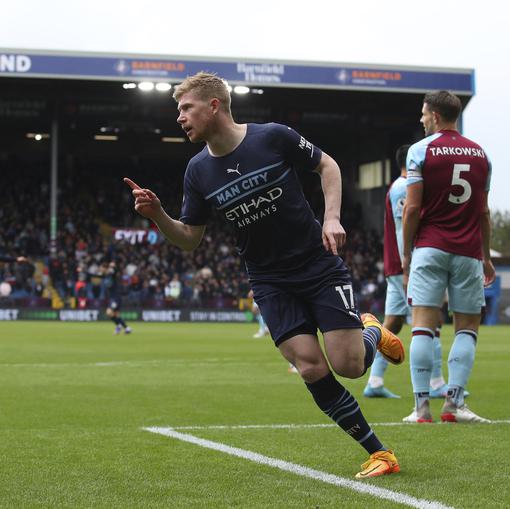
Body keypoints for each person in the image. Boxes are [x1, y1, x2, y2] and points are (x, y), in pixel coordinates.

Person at [124, 72, 404, 479]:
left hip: (317, 265)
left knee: (349, 365)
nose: (180, 118)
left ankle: (372, 330)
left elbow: (328, 165)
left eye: (186, 108)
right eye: (178, 110)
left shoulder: (271, 136)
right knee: (309, 367)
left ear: (214, 105)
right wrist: (158, 216)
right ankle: (380, 452)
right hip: (269, 281)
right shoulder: (197, 171)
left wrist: (331, 218)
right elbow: (188, 239)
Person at [402, 90, 494, 424]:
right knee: (467, 328)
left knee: (423, 326)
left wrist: (406, 254)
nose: (421, 119)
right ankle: (454, 403)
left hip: (429, 247)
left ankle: (422, 407)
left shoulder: (420, 151)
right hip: (468, 251)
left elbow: (412, 208)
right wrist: (485, 256)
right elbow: (484, 212)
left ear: (436, 116)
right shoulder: (481, 155)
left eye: (424, 114)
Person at [363, 145, 449, 402]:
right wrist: (409, 267)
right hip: (405, 267)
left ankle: (375, 381)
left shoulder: (400, 187)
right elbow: (403, 230)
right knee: (429, 321)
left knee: (392, 324)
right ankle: (436, 382)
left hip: (397, 266)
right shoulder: (403, 188)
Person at [104, 261, 132, 335]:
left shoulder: (114, 275)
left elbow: (114, 271)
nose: (110, 268)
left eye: (111, 267)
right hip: (114, 297)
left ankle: (119, 326)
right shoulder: (108, 276)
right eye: (109, 266)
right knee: (116, 315)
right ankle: (126, 328)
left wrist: (113, 267)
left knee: (109, 312)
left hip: (115, 298)